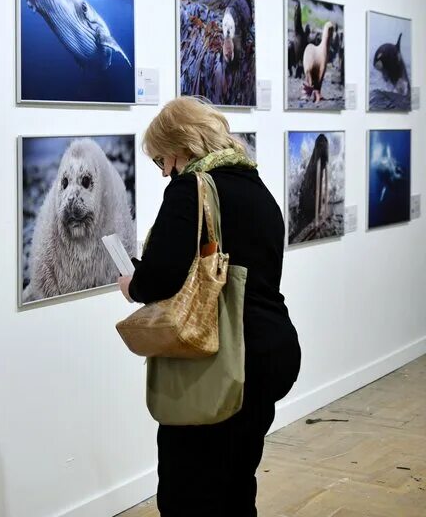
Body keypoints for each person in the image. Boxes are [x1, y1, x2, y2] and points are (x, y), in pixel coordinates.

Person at [118, 96, 300, 517]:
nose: (164, 171)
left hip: (222, 359)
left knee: (189, 494)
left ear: (181, 146)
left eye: (162, 159)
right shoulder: (257, 186)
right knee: (237, 485)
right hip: (270, 350)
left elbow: (163, 276)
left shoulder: (191, 190)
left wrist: (133, 284)